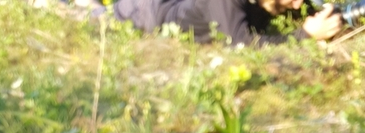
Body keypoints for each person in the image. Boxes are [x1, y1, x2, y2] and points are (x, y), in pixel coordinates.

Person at [112, 0, 344, 45]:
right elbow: (240, 42)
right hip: (147, 12)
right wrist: (304, 35)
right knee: (99, 18)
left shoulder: (282, 2)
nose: (296, 5)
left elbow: (312, 15)